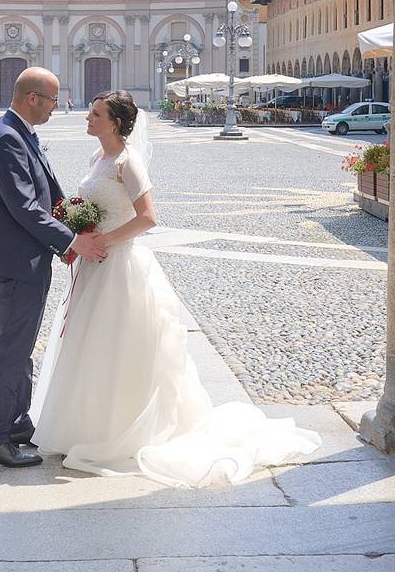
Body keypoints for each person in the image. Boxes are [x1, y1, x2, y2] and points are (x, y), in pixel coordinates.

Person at [30, 91, 321, 488]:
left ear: (114, 122)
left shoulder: (128, 163)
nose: (87, 117)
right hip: (95, 265)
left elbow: (148, 217)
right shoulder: (97, 158)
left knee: (119, 347)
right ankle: (85, 427)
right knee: (90, 345)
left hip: (119, 265)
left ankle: (122, 430)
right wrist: (83, 232)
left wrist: (106, 240)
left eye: (95, 114)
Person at [0, 67, 107, 469]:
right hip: (15, 261)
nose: (56, 108)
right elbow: (25, 206)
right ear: (33, 98)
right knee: (9, 351)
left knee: (20, 347)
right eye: (52, 101)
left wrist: (74, 217)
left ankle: (14, 423)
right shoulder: (7, 139)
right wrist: (71, 239)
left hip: (21, 256)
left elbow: (45, 192)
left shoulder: (17, 133)